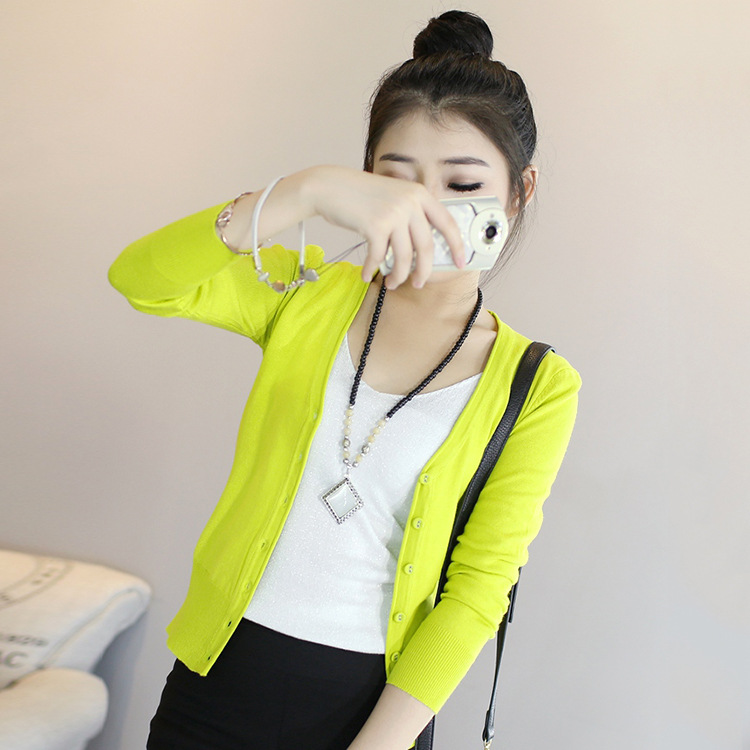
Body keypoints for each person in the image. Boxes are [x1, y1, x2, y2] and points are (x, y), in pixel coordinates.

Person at [108, 10, 582, 750]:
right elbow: (140, 281)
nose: (426, 209)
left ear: (519, 191)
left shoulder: (538, 384)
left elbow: (479, 589)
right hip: (219, 680)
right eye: (396, 181)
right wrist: (298, 194)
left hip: (373, 713)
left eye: (462, 183)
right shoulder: (305, 295)